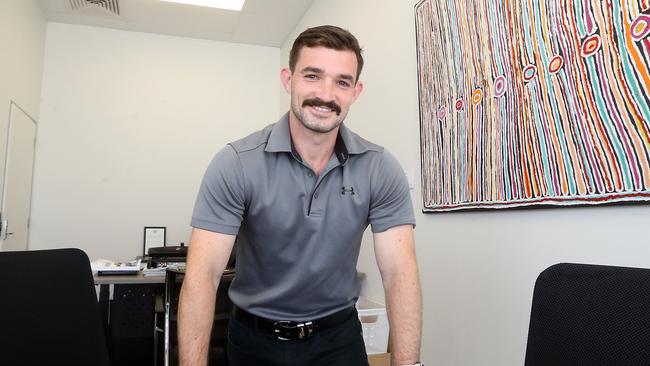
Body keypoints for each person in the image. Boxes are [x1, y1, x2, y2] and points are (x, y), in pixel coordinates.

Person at [178, 25, 422, 366]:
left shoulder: (380, 168)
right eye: (312, 75)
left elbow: (399, 274)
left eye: (342, 81)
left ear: (356, 91)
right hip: (254, 342)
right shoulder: (236, 163)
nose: (325, 94)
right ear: (287, 79)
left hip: (339, 341)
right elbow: (203, 277)